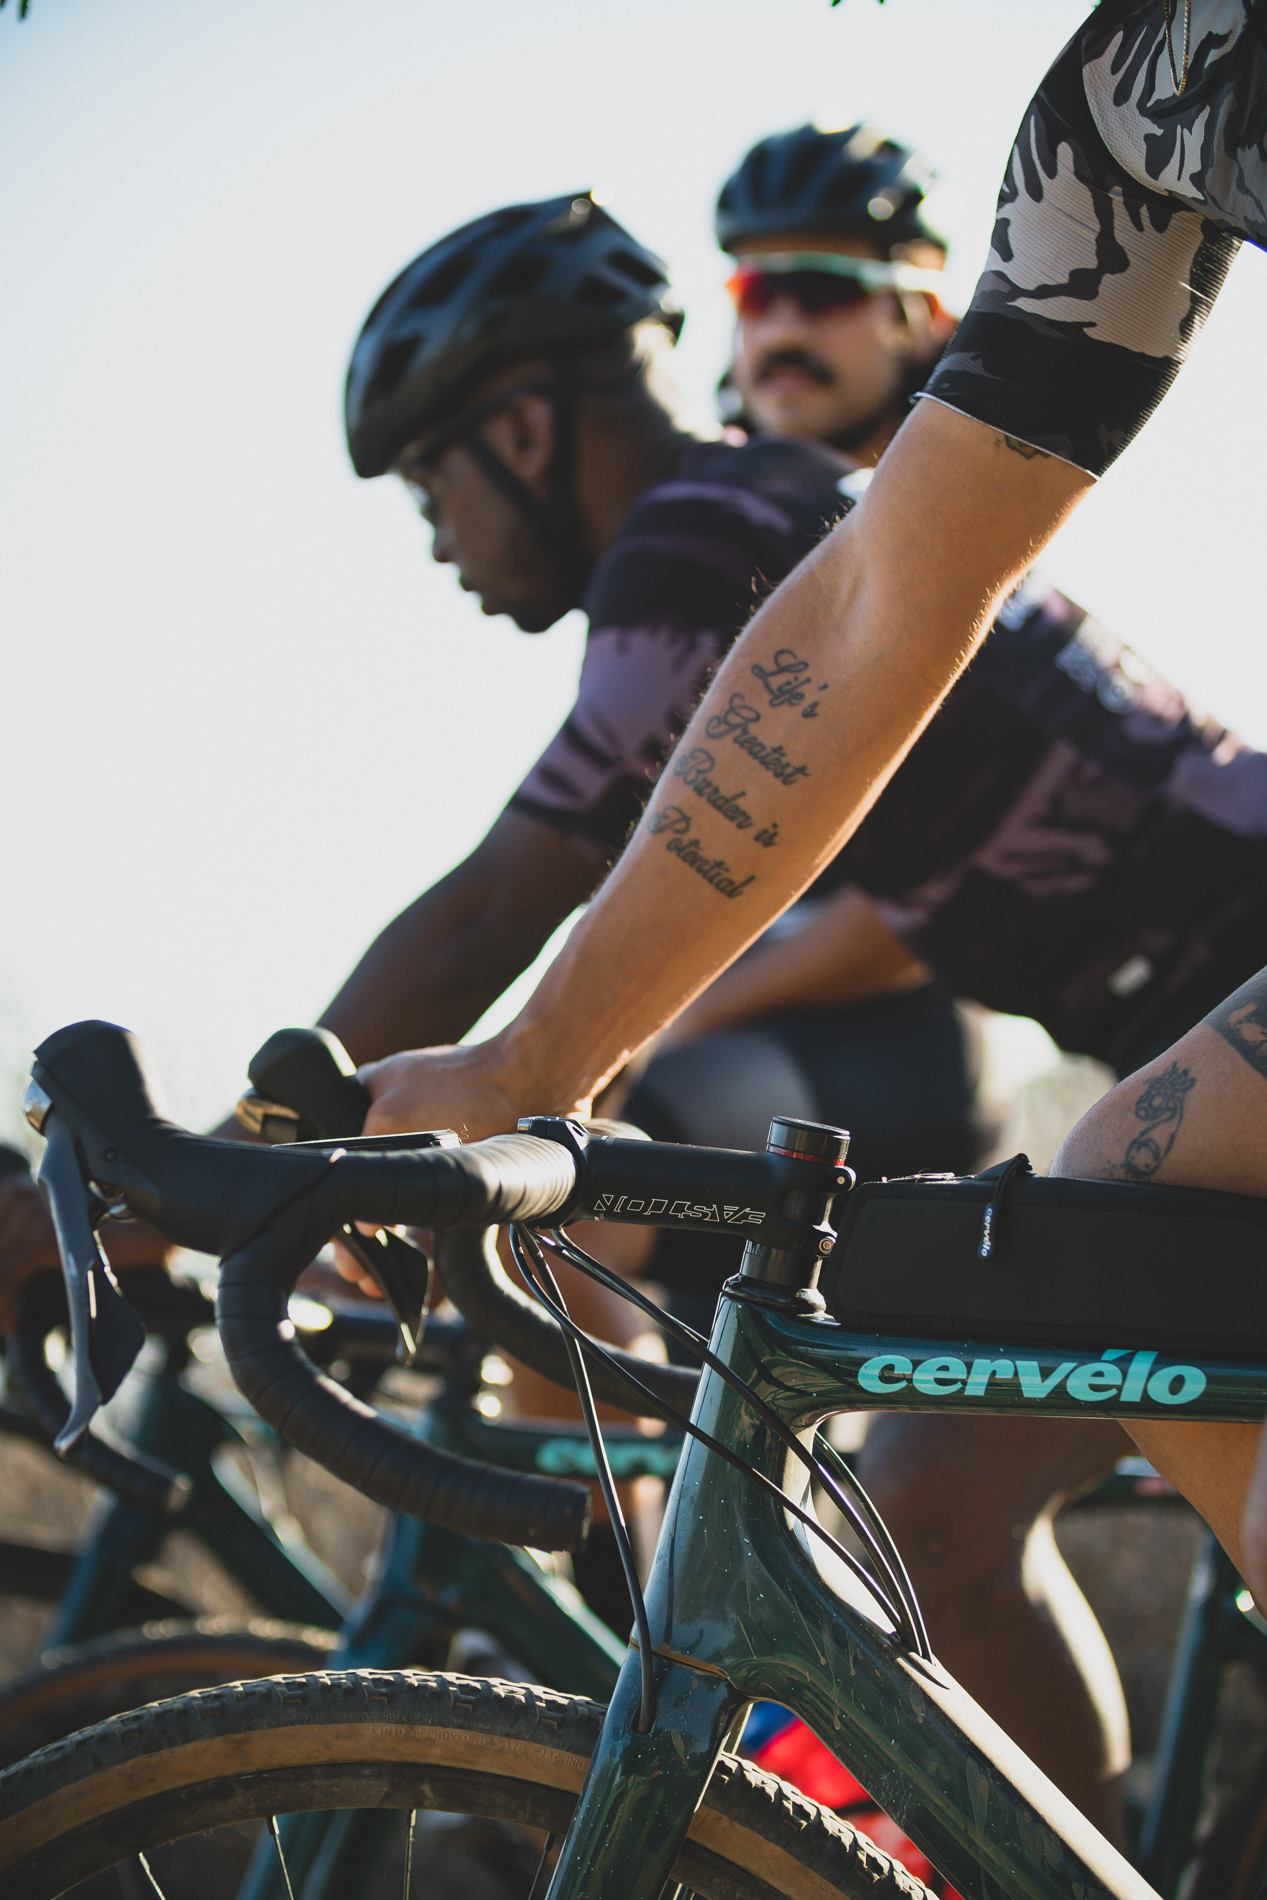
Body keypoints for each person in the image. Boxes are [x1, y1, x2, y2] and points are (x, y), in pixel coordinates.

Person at [357, 0, 1267, 1797]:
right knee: (928, 1498)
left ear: (521, 428)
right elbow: (869, 607)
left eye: (430, 485)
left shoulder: (700, 525)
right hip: (1168, 1011)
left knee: (1124, 1197)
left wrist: (245, 1159)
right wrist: (537, 1059)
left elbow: (492, 906)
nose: (436, 536)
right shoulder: (1110, 116)